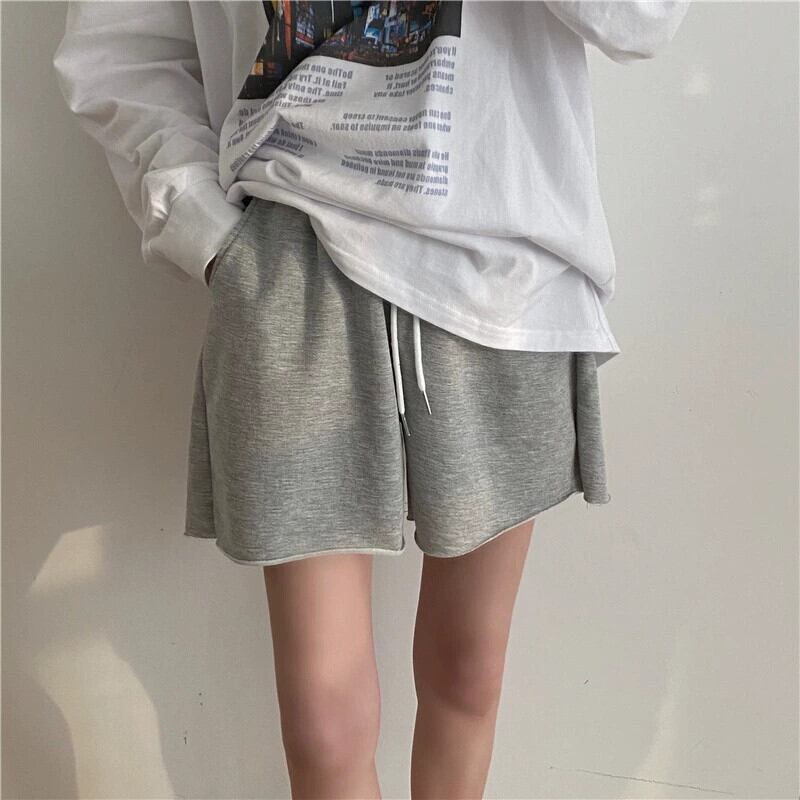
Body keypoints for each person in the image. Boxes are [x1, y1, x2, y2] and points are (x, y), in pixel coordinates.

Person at [53, 2, 689, 797]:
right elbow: (118, 47)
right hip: (291, 253)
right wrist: (210, 236)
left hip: (499, 259)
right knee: (325, 722)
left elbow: (642, 21)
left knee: (468, 669)